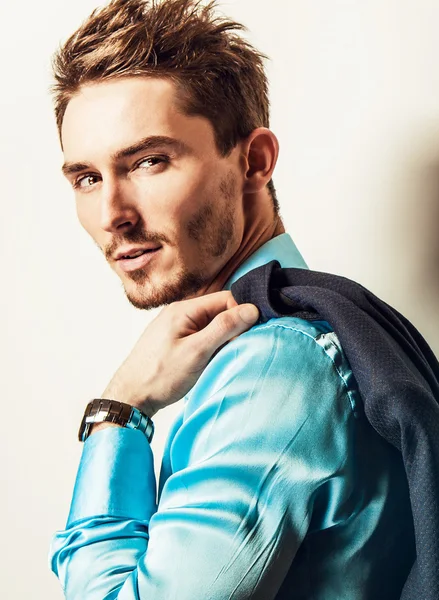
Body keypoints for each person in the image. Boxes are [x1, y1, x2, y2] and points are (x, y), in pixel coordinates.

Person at [48, 1, 412, 598]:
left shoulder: (273, 368)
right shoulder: (298, 337)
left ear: (254, 160)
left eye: (147, 161)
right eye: (87, 178)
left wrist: (118, 410)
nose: (113, 214)